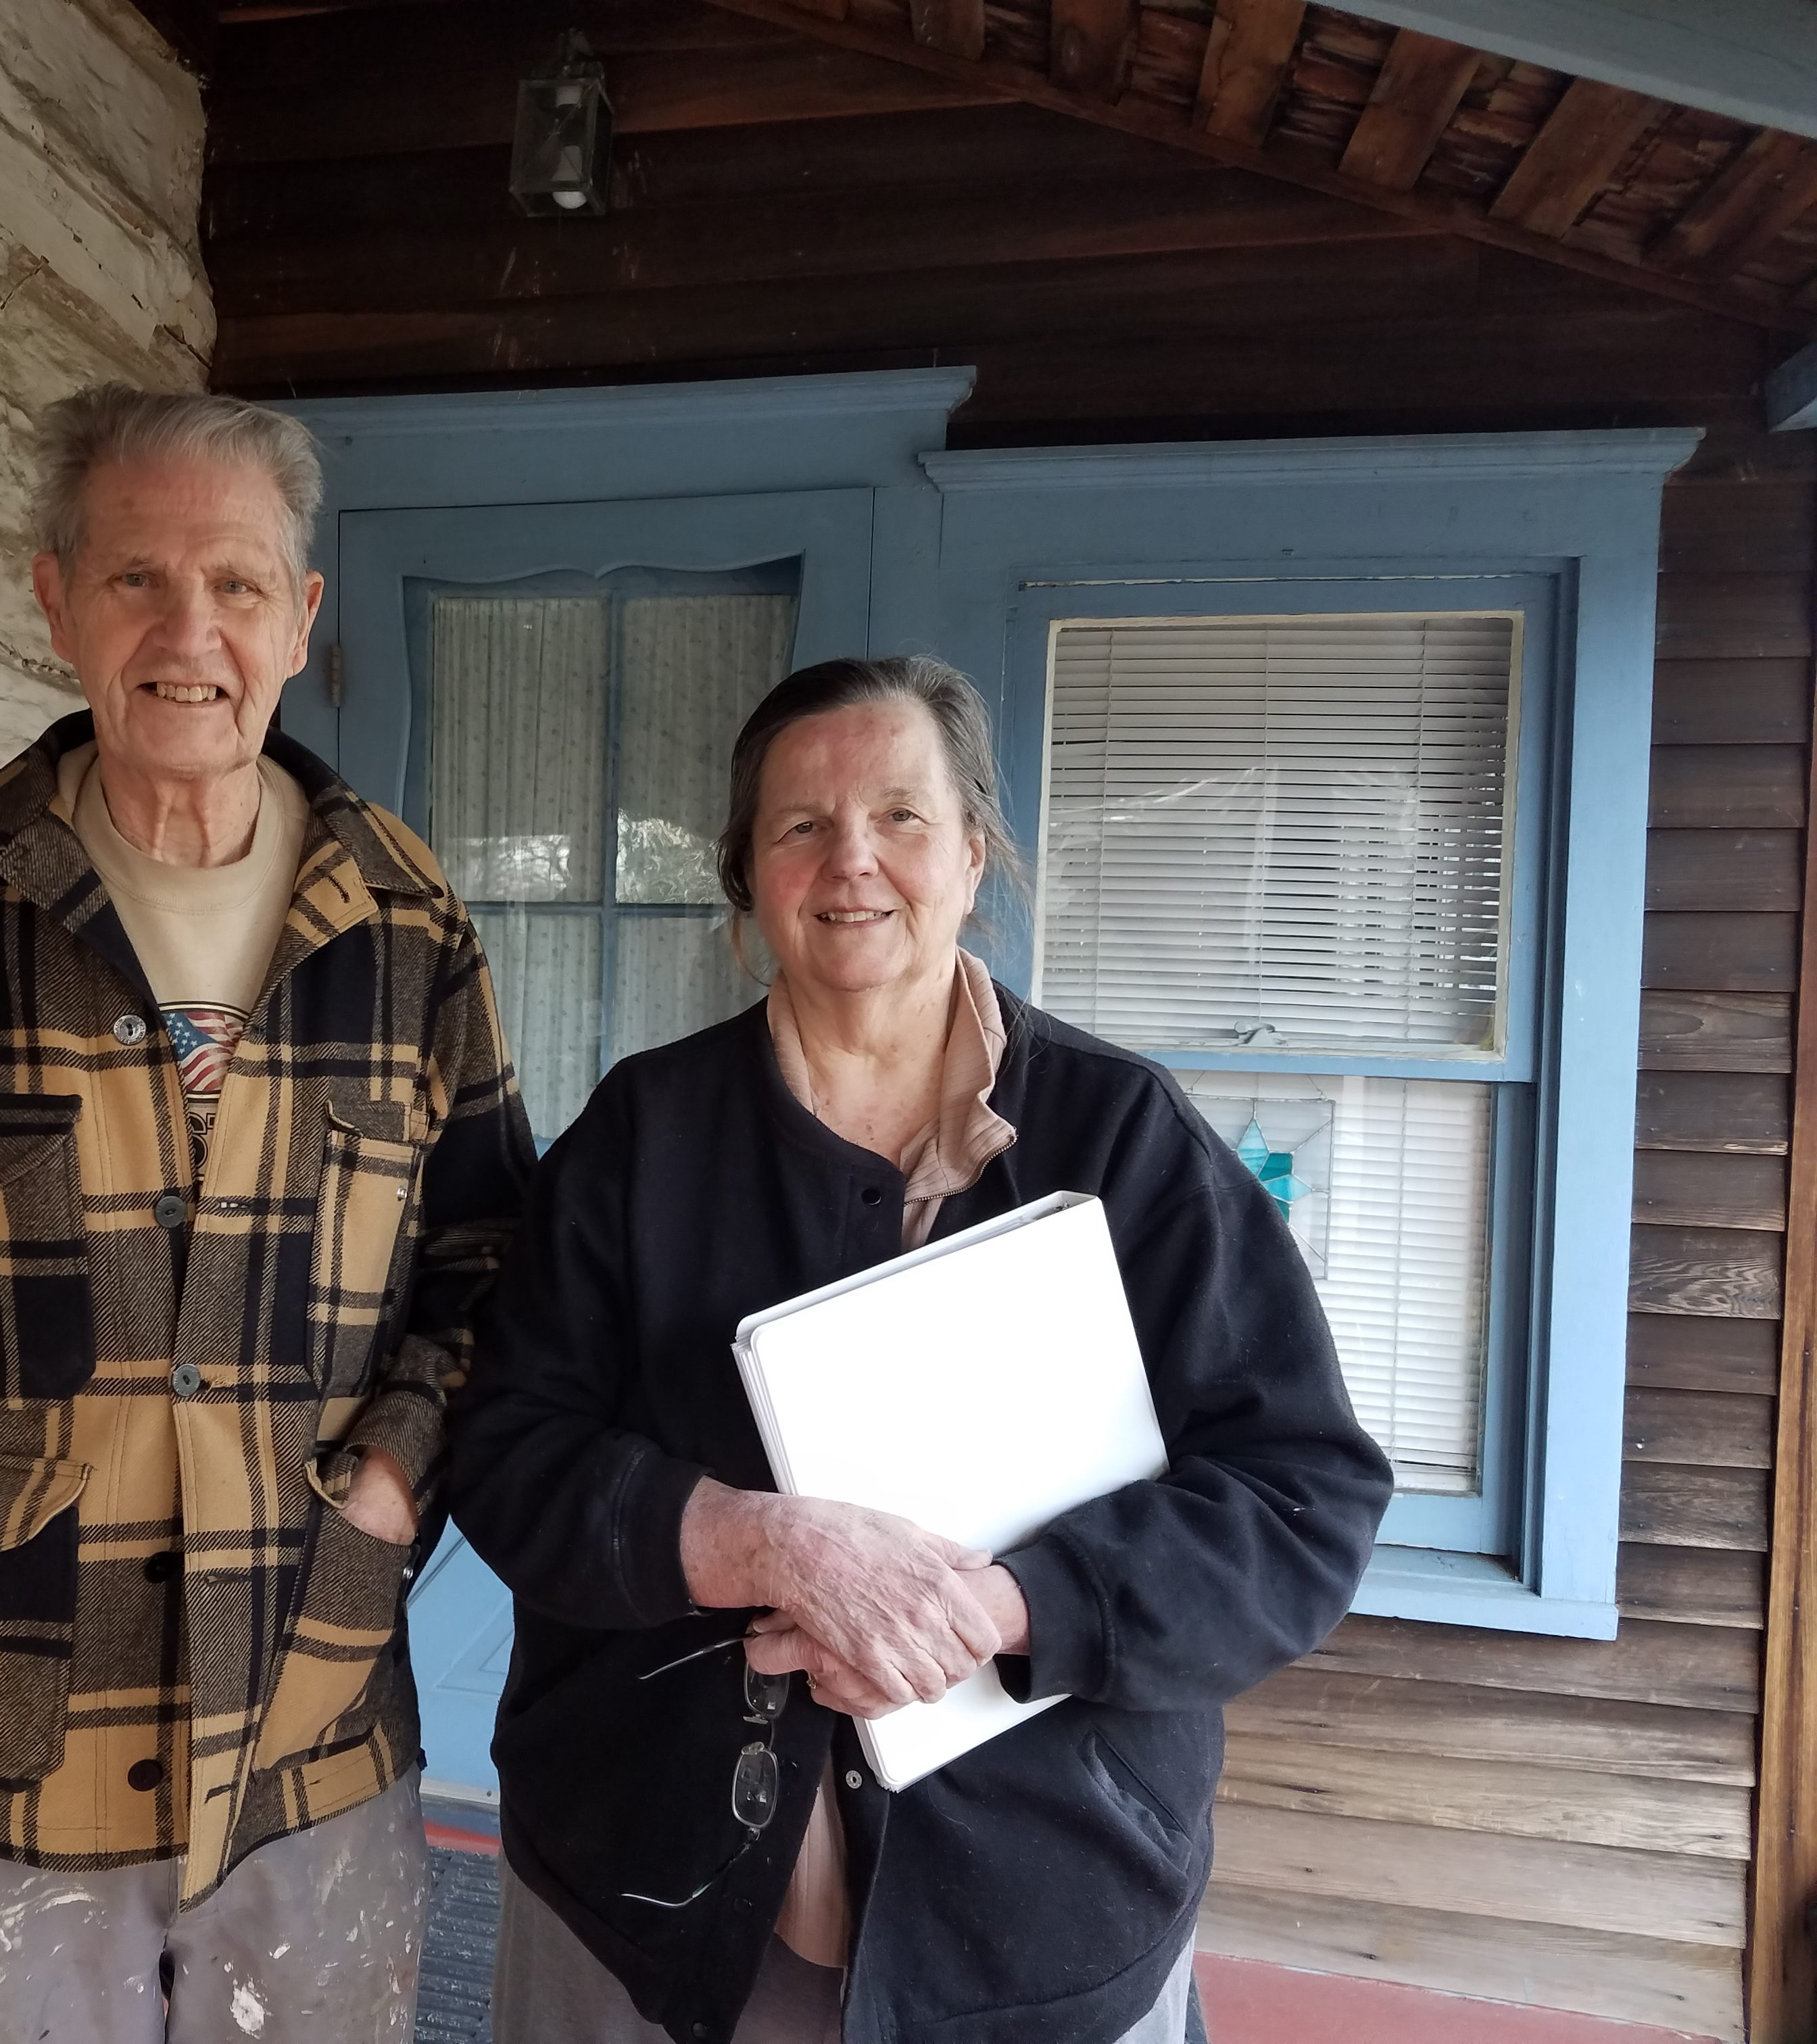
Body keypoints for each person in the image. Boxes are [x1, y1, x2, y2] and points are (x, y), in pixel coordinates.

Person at [0, 384, 533, 2043]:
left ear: (301, 621)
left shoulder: (407, 921)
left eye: (237, 585)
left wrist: (401, 1470)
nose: (187, 629)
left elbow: (495, 1261)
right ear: (55, 599)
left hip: (312, 1724)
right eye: (136, 578)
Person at [449, 656, 1393, 2044]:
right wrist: (748, 1542)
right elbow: (510, 1445)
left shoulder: (1126, 1140)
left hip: (1039, 1925)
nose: (853, 863)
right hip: (650, 1904)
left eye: (900, 816)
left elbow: (1298, 1501)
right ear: (747, 873)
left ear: (972, 852)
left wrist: (1007, 1608)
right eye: (800, 827)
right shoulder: (644, 1137)